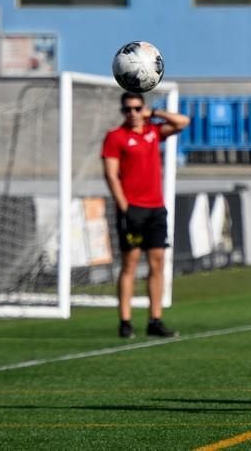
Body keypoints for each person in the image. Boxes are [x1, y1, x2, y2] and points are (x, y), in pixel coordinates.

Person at [101, 92, 190, 339]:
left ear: (143, 108)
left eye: (137, 108)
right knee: (130, 263)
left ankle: (155, 319)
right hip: (132, 209)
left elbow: (182, 122)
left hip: (155, 208)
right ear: (122, 111)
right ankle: (126, 321)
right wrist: (124, 208)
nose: (132, 113)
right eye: (128, 109)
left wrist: (156, 113)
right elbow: (110, 174)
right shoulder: (115, 137)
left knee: (158, 262)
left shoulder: (152, 131)